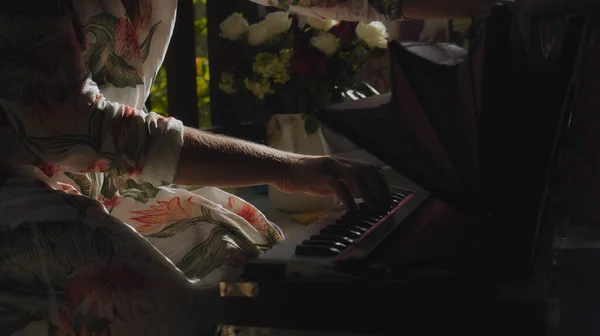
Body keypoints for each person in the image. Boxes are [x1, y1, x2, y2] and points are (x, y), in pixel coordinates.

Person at [0, 0, 517, 335]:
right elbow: (80, 128)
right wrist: (287, 167)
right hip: (18, 187)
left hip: (87, 172)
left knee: (248, 252)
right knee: (173, 312)